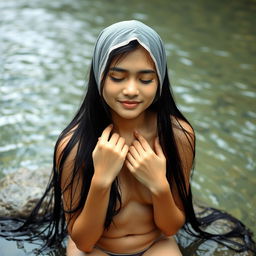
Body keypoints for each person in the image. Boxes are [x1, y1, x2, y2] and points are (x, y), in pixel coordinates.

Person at [0, 20, 255, 255]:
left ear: (160, 81)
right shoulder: (75, 145)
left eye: (145, 79)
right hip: (95, 249)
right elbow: (84, 241)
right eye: (117, 77)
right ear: (99, 75)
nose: (131, 90)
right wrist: (101, 179)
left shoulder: (177, 136)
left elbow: (170, 229)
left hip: (156, 244)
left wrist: (158, 184)